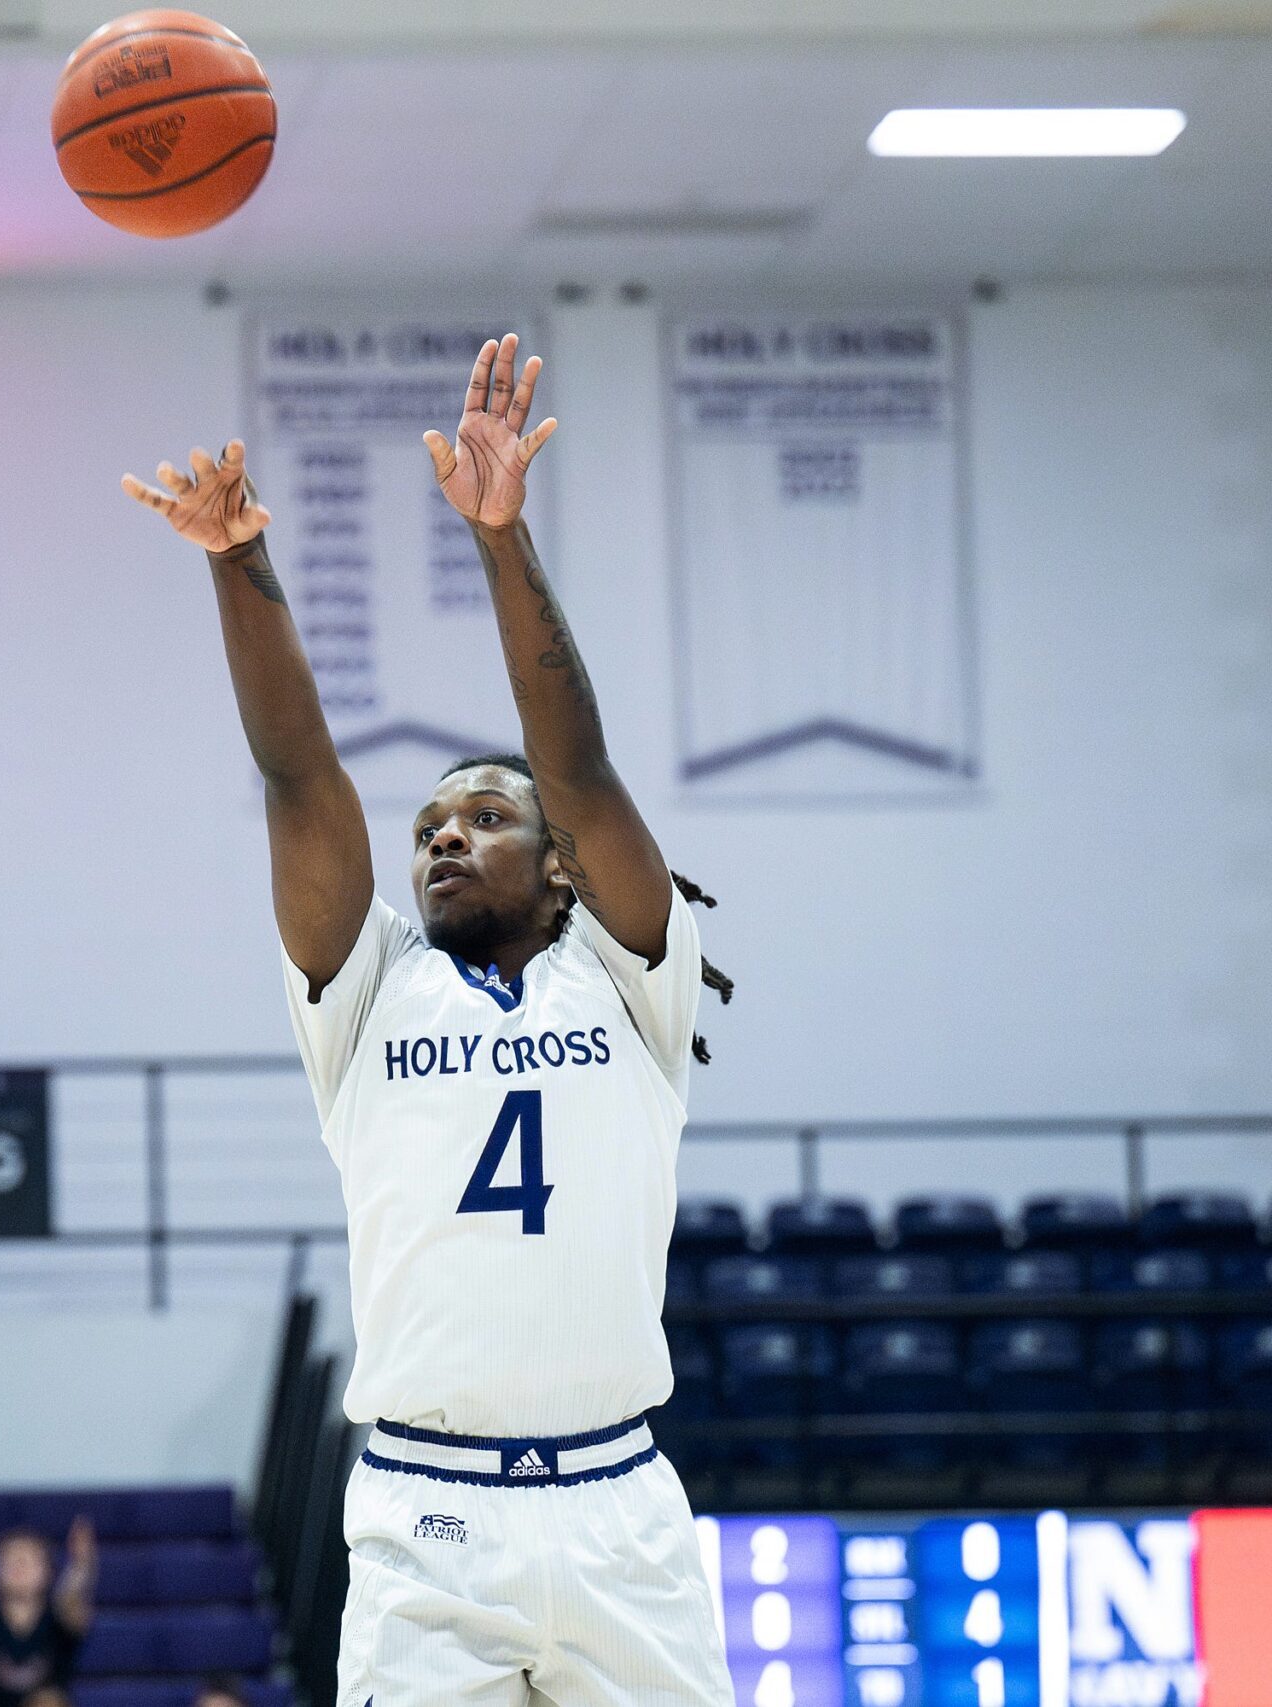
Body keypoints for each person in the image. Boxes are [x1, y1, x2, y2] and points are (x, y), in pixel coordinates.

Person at [122, 335, 738, 1707]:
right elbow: (299, 774)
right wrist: (239, 561)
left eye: (486, 815)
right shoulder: (370, 983)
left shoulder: (630, 973)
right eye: (429, 826)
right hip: (426, 1512)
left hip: (619, 1501)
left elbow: (576, 761)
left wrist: (499, 537)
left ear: (563, 859)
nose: (445, 836)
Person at [0, 1520, 96, 1707]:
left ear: (49, 1572)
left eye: (29, 1559)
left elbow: (73, 1596)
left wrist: (81, 1565)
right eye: (10, 1560)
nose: (20, 1565)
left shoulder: (59, 1619)